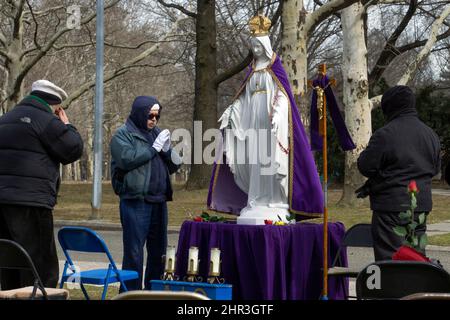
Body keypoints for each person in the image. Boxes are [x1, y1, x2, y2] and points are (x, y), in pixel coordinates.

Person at [207, 14, 323, 224]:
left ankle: (275, 201)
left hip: (270, 124)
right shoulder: (252, 72)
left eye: (258, 46)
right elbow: (243, 98)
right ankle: (255, 201)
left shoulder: (275, 70)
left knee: (270, 160)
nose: (256, 50)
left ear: (265, 45)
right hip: (252, 123)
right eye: (253, 46)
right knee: (255, 162)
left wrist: (278, 114)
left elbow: (283, 96)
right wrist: (232, 111)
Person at [0, 80, 83, 289]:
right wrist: (67, 126)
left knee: (9, 262)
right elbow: (72, 149)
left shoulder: (5, 119)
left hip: (2, 201)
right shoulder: (46, 120)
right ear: (55, 106)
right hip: (32, 203)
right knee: (40, 266)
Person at [357, 85, 441, 261]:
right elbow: (435, 169)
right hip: (421, 206)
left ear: (390, 107)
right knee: (417, 258)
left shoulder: (385, 134)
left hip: (390, 207)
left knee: (391, 260)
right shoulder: (430, 135)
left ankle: (394, 289)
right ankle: (416, 288)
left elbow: (365, 166)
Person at [110, 96, 181, 291]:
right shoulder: (123, 135)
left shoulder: (156, 133)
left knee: (158, 252)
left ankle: (153, 293)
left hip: (158, 201)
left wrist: (166, 151)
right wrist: (153, 149)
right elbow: (127, 159)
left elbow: (175, 164)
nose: (154, 120)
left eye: (157, 116)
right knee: (134, 253)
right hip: (135, 201)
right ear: (140, 113)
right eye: (150, 115)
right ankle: (131, 294)